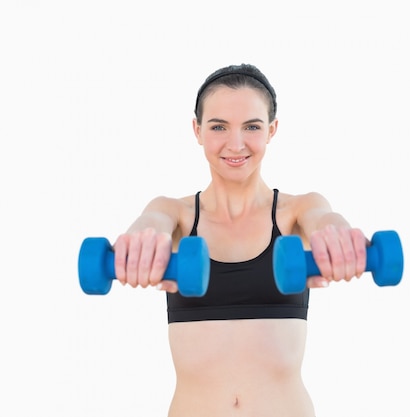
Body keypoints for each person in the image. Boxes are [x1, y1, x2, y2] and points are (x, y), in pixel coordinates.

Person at [112, 63, 368, 417]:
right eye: (219, 126)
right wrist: (140, 242)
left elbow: (324, 219)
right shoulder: (175, 215)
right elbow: (150, 222)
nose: (236, 144)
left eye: (252, 126)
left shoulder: (297, 211)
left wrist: (338, 235)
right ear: (197, 130)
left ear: (271, 130)